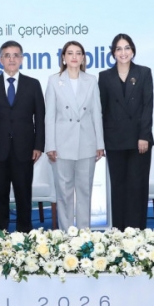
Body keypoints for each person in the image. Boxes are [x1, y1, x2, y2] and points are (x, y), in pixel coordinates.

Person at [0, 41, 45, 233]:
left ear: (22, 59)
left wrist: (38, 146)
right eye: (7, 55)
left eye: (16, 55)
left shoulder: (33, 84)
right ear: (0, 60)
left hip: (25, 149)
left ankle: (24, 234)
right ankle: (0, 235)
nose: (11, 59)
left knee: (24, 195)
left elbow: (40, 118)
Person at [44, 40, 104, 230]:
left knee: (85, 192)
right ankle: (66, 235)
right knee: (64, 193)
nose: (74, 57)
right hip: (62, 145)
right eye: (70, 53)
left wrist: (100, 143)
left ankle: (85, 234)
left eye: (78, 53)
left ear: (83, 57)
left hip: (87, 143)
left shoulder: (91, 80)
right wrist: (50, 145)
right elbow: (49, 116)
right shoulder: (54, 81)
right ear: (63, 57)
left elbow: (96, 113)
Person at [98, 33, 153, 230]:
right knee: (118, 187)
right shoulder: (104, 76)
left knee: (137, 187)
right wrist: (101, 141)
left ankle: (137, 231)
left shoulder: (144, 73)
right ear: (113, 53)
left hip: (139, 140)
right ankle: (119, 232)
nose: (123, 52)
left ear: (133, 51)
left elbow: (148, 106)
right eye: (119, 49)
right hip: (114, 140)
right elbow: (102, 110)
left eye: (127, 48)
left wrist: (144, 136)